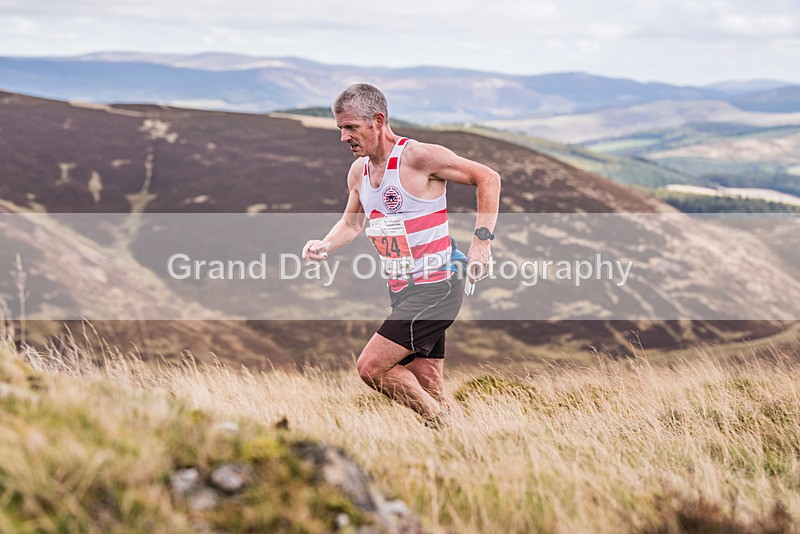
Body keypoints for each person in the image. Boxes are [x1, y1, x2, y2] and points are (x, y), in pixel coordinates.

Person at [302, 83, 500, 426]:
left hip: (437, 284)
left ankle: (439, 424)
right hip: (402, 287)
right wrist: (324, 244)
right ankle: (469, 436)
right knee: (427, 377)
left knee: (371, 367)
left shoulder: (419, 158)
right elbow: (351, 224)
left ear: (377, 121)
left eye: (350, 127)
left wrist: (481, 242)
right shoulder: (359, 172)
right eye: (340, 128)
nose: (343, 137)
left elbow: (488, 178)